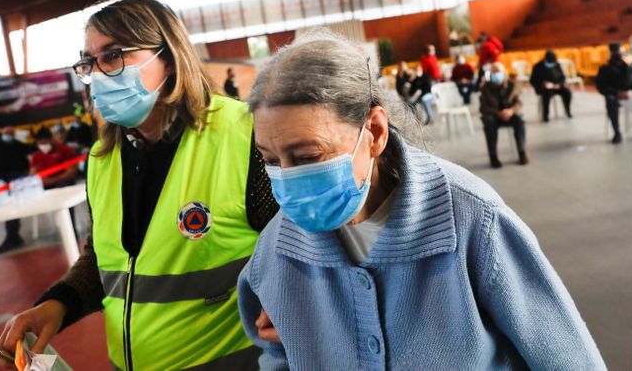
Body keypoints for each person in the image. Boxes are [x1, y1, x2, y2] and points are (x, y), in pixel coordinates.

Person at [237, 32, 605, 370]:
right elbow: (278, 358)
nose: (286, 177)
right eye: (271, 160)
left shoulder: (470, 219)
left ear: (375, 132)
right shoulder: (276, 252)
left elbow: (567, 358)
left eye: (307, 156)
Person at [0, 0, 278, 370]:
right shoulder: (102, 156)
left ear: (169, 56)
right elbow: (109, 260)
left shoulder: (246, 134)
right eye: (89, 62)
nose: (97, 74)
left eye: (113, 56)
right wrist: (57, 304)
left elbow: (303, 242)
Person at [0, 126, 32, 254]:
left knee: (12, 207)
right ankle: (12, 236)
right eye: (7, 133)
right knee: (10, 207)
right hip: (6, 181)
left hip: (16, 180)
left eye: (11, 133)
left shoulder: (12, 143)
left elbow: (27, 148)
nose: (9, 135)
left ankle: (13, 236)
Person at [480, 63, 528, 168]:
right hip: (494, 115)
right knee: (489, 124)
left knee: (519, 121)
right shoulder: (485, 87)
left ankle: (521, 152)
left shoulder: (512, 84)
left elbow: (518, 103)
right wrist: (497, 113)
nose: (496, 74)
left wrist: (511, 111)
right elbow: (483, 107)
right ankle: (493, 157)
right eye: (494, 72)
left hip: (509, 113)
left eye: (498, 71)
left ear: (503, 73)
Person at [530, 50, 572, 122]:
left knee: (567, 92)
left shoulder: (556, 65)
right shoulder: (537, 66)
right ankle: (545, 115)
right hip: (543, 88)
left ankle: (567, 111)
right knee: (546, 93)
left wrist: (559, 84)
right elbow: (532, 80)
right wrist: (542, 84)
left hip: (556, 87)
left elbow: (562, 77)